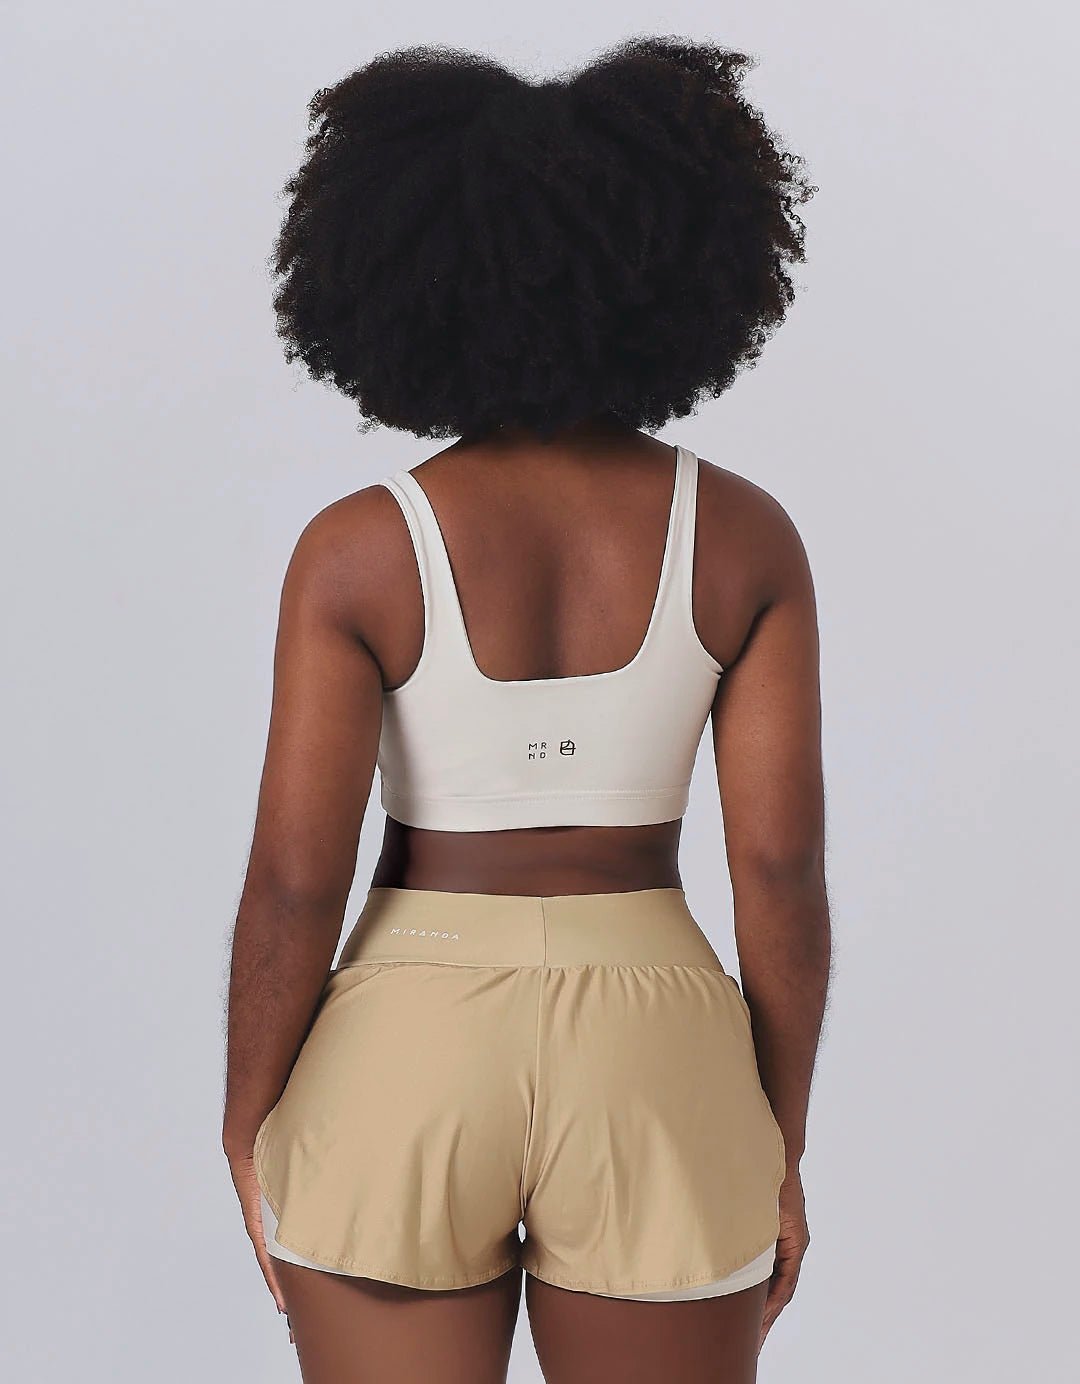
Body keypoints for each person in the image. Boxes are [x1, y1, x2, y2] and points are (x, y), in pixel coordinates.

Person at [223, 34, 829, 1384]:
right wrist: (774, 1140)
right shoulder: (743, 538)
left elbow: (294, 879)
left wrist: (245, 1116)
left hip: (406, 1035)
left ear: (401, 275)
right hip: (656, 1038)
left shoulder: (359, 549)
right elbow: (780, 868)